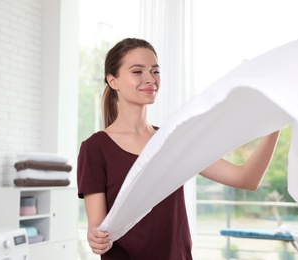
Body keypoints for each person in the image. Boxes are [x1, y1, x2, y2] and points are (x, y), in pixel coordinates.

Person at [77, 38, 280, 260]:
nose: (150, 79)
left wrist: (274, 124)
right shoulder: (95, 148)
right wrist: (95, 236)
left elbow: (247, 179)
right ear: (112, 80)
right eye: (137, 71)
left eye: (155, 71)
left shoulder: (172, 141)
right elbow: (97, 227)